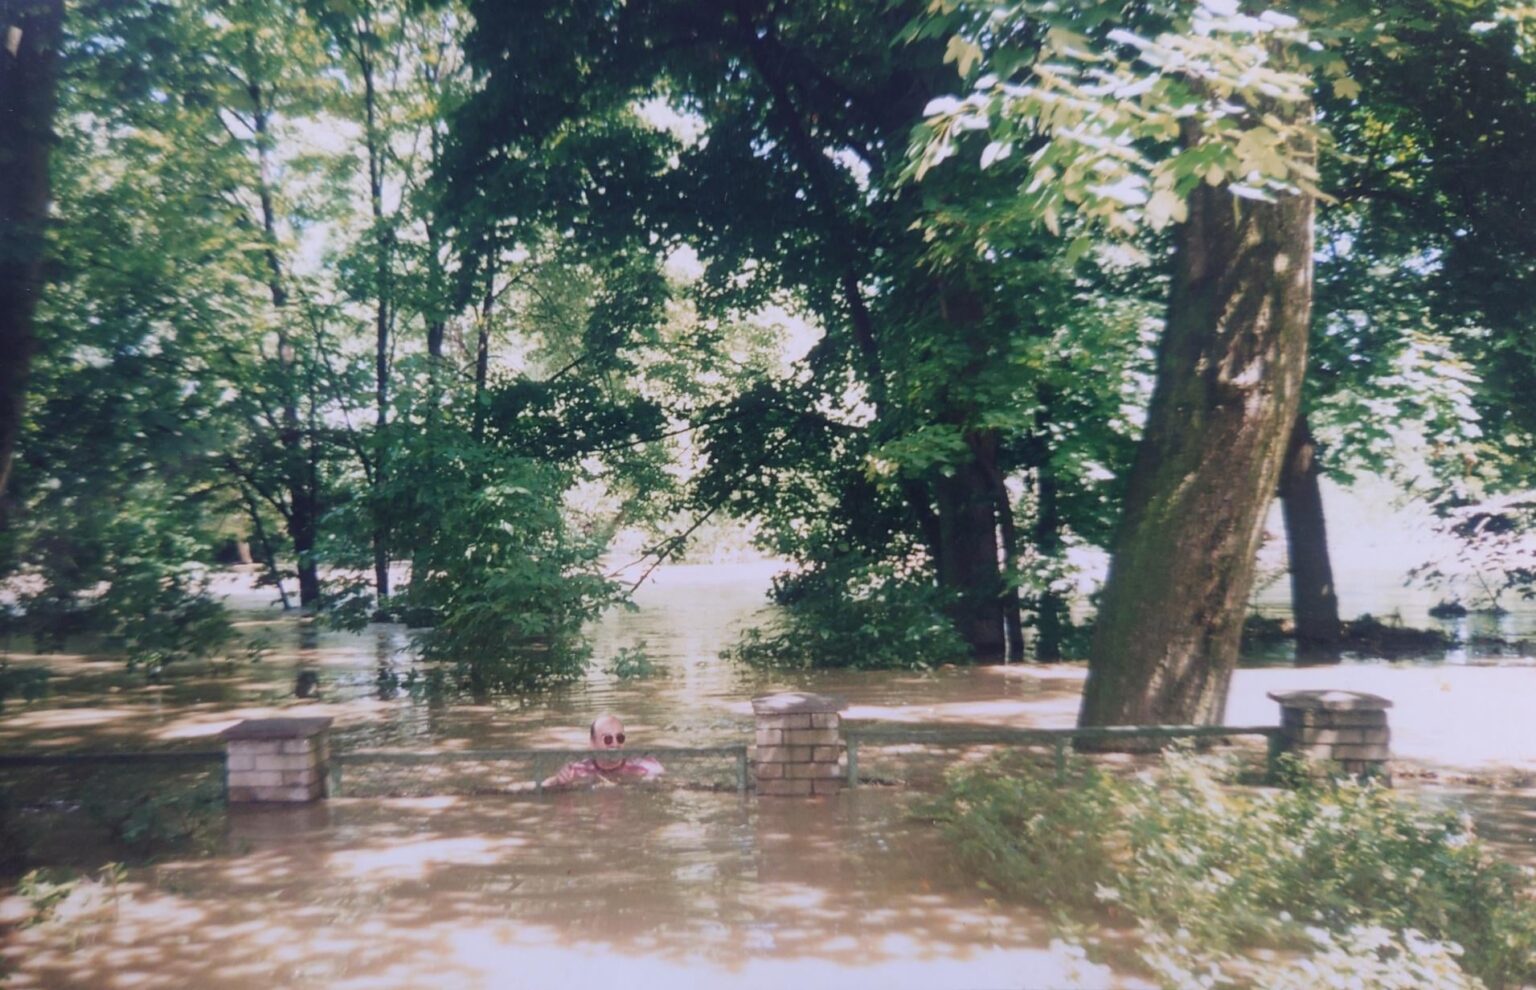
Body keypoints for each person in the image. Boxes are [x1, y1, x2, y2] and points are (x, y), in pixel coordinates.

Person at [541, 713, 664, 790]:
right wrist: (557, 782)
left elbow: (674, 786)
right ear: (592, 743)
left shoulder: (646, 767)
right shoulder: (577, 771)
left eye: (620, 737)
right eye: (607, 739)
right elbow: (539, 787)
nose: (615, 744)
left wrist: (655, 782)